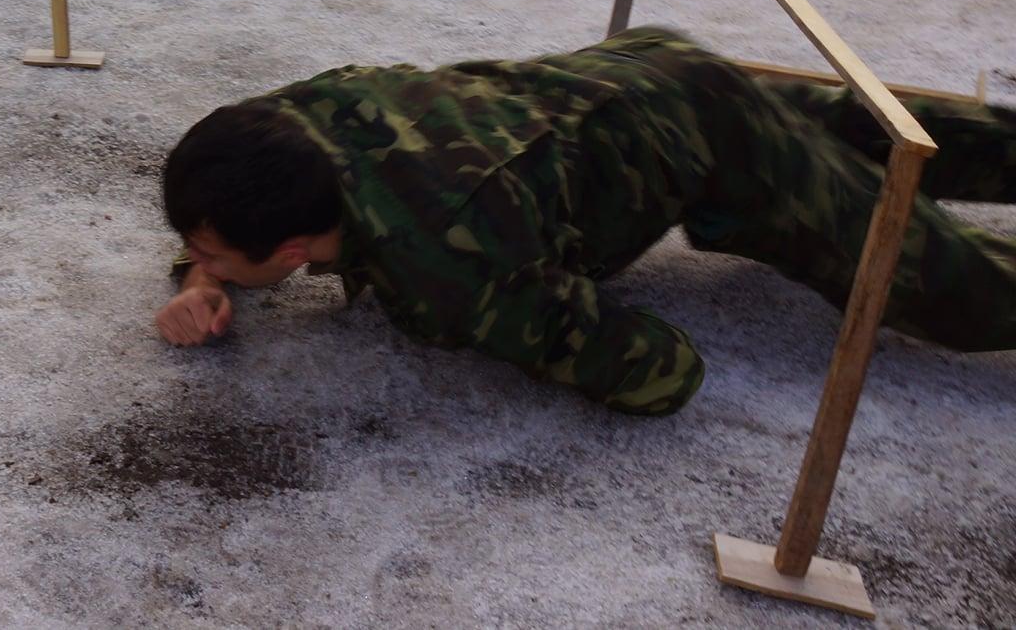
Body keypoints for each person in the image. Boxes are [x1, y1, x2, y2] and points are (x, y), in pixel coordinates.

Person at [155, 26, 1016, 416]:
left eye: (213, 252)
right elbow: (233, 206)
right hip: (639, 68)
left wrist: (552, 326)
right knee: (883, 133)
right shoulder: (297, 118)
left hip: (702, 142)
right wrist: (203, 276)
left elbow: (661, 372)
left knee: (950, 287)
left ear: (297, 248)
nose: (199, 260)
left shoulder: (454, 271)